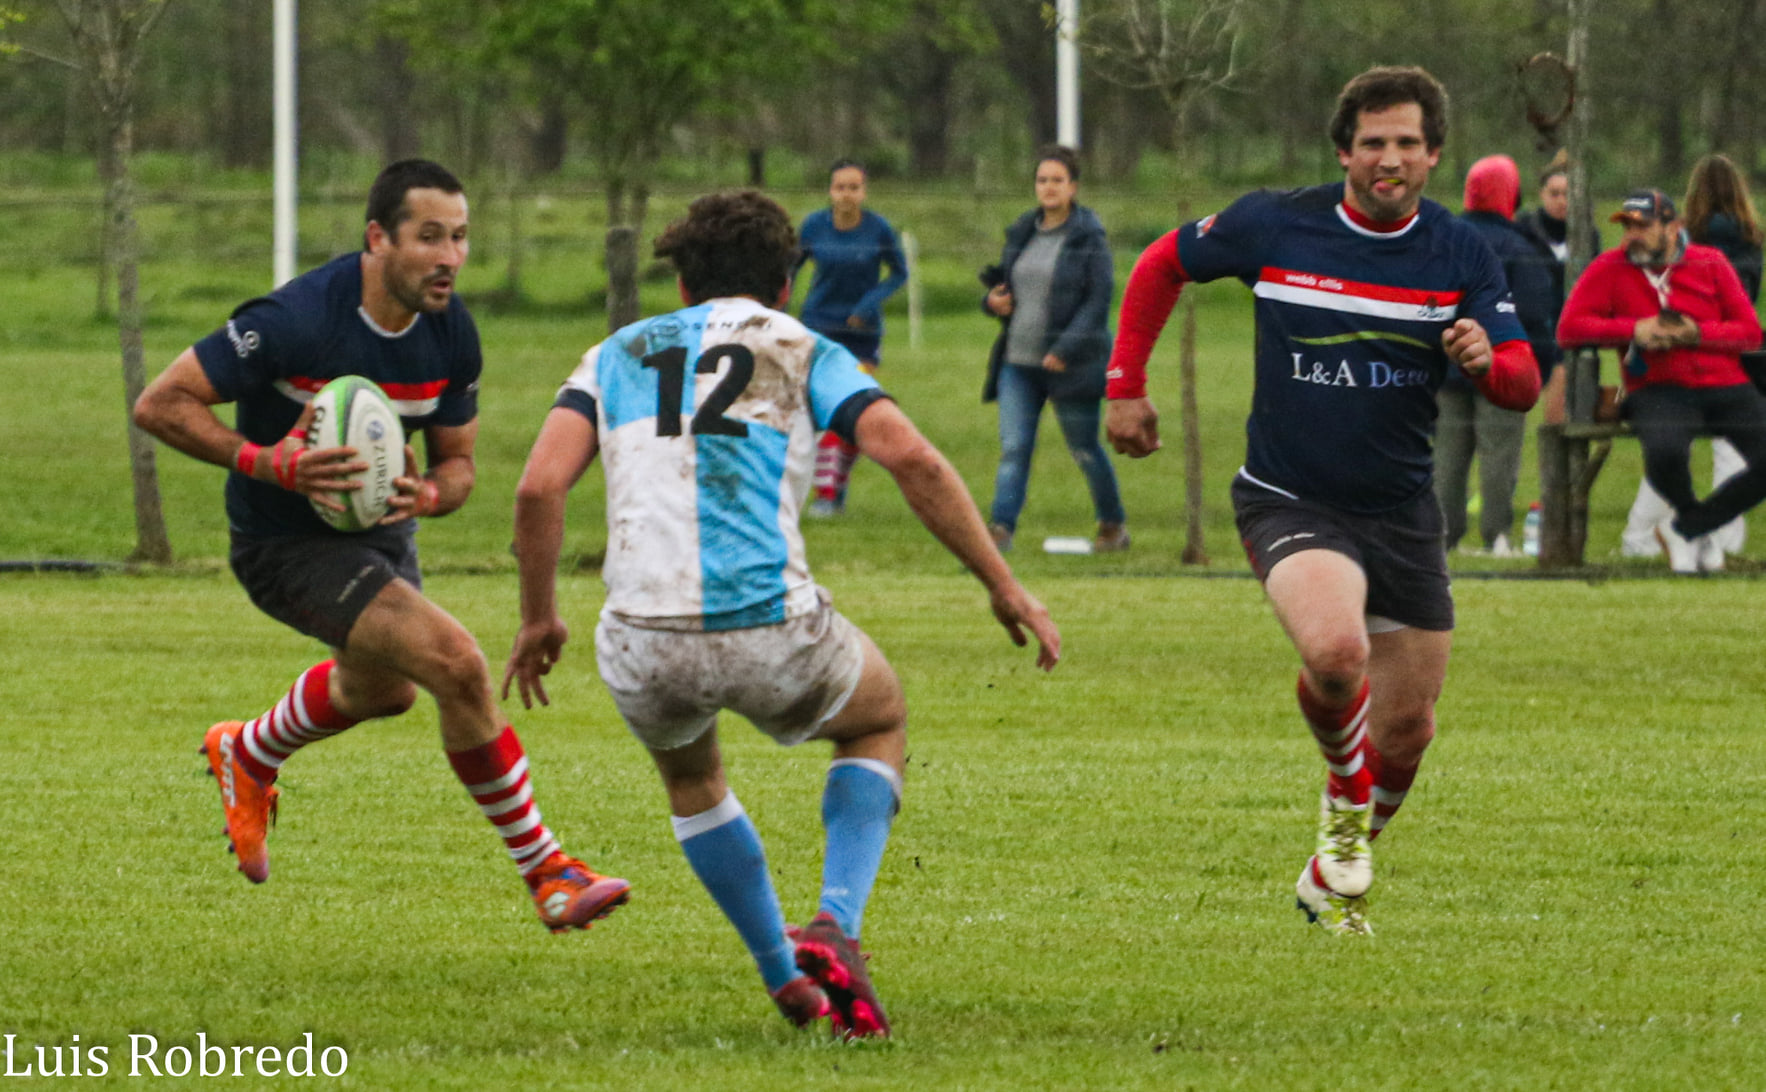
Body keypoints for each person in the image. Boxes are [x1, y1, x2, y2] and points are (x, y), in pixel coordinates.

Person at [503, 190, 1059, 1035]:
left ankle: (787, 980)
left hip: (642, 637)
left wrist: (539, 619)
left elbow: (539, 485)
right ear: (786, 285)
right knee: (878, 720)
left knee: (693, 783)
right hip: (768, 623)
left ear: (682, 284)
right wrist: (1000, 582)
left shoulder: (612, 355)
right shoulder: (800, 346)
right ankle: (836, 922)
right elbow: (908, 456)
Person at [131, 159, 629, 930]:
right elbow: (160, 403)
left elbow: (459, 467)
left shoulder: (452, 334)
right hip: (282, 542)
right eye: (429, 237)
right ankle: (550, 872)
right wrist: (268, 462)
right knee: (457, 664)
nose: (450, 258)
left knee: (385, 690)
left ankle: (250, 752)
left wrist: (427, 494)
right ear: (377, 239)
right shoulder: (295, 319)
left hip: (379, 532)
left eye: (459, 238)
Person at [1105, 67, 1540, 935]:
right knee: (1338, 656)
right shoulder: (1278, 223)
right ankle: (1345, 812)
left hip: (1403, 510)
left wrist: (1490, 360)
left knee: (1409, 730)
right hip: (1290, 495)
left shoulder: (1460, 252)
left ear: (1433, 155)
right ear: (1344, 150)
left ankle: (1328, 866)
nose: (1389, 159)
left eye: (1407, 143)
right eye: (1373, 142)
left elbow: (1525, 385)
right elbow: (1163, 263)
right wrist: (1125, 383)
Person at [1558, 187, 1766, 573]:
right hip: (1657, 386)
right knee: (1665, 451)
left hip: (1725, 383)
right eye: (1627, 226)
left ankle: (1688, 526)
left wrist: (1697, 334)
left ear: (1674, 227)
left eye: (1643, 225)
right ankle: (1691, 527)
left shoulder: (1711, 262)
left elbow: (1749, 332)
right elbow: (1569, 328)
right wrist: (1633, 329)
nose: (1632, 235)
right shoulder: (1609, 267)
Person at [982, 145, 1128, 553]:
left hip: (1072, 366)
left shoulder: (1089, 237)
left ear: (1073, 187)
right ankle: (1000, 530)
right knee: (1014, 449)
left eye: (1057, 180)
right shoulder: (1022, 231)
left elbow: (1097, 302)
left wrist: (1064, 349)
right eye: (1042, 180)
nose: (1048, 187)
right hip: (1018, 362)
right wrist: (993, 302)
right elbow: (1004, 288)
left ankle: (1112, 526)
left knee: (1084, 448)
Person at [1619, 155, 1764, 566]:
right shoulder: (1751, 239)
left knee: (1667, 451)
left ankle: (1644, 532)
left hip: (1678, 365)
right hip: (1735, 362)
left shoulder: (1689, 241)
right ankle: (1715, 533)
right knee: (1734, 455)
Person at [1435, 154, 1561, 557]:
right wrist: (1539, 368)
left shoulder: (1442, 239)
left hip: (1446, 368)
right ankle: (1498, 536)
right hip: (1502, 368)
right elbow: (1537, 316)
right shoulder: (1521, 247)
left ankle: (1443, 538)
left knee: (1447, 456)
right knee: (1499, 454)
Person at [794, 159, 909, 517]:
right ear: (830, 191)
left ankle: (831, 492)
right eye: (840, 187)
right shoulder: (814, 226)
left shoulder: (878, 230)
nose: (847, 195)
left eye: (854, 187)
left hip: (861, 332)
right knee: (812, 413)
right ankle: (820, 492)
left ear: (864, 191)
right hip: (818, 326)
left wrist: (868, 304)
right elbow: (789, 268)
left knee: (850, 411)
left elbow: (898, 273)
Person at [1516, 153, 1575, 423]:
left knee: (1561, 409)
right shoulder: (1524, 230)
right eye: (1554, 193)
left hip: (1569, 327)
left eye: (1567, 193)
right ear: (1542, 194)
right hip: (1531, 327)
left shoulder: (1586, 234)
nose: (1561, 200)